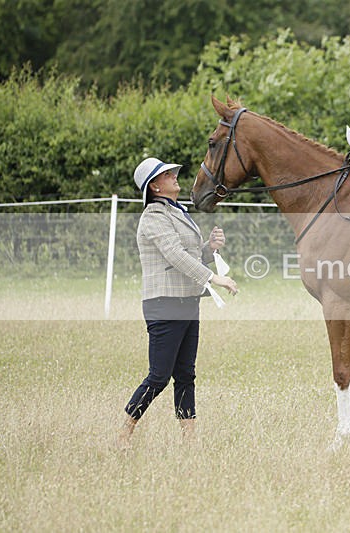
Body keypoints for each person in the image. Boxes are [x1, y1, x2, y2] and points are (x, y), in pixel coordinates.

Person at [118, 157, 238, 447]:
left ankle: (189, 440)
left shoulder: (177, 211)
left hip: (187, 302)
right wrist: (213, 278)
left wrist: (209, 248)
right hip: (164, 304)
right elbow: (174, 255)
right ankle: (124, 433)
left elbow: (190, 254)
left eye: (171, 172)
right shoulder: (153, 217)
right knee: (159, 377)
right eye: (166, 174)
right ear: (155, 186)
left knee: (186, 374)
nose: (174, 176)